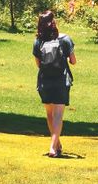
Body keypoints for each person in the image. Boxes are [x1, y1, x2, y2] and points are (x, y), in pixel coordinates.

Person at [32, 11, 76, 158]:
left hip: (45, 80)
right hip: (61, 81)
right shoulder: (65, 39)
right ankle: (52, 146)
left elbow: (38, 64)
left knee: (50, 114)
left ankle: (57, 144)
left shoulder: (38, 41)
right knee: (58, 115)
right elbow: (73, 61)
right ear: (54, 22)